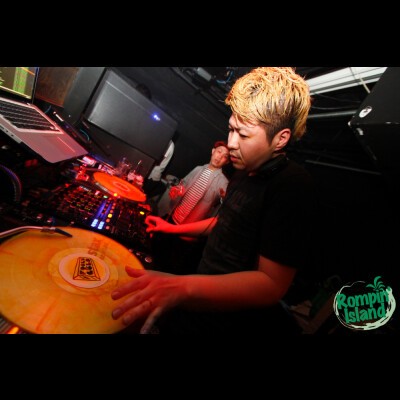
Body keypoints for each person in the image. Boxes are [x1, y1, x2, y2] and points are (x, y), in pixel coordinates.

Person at [111, 67, 317, 334]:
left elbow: (272, 285)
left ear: (281, 139)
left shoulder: (293, 186)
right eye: (231, 129)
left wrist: (182, 286)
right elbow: (223, 223)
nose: (231, 143)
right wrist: (170, 228)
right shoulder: (243, 172)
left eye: (243, 135)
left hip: (225, 322)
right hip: (199, 298)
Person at [151, 140, 230, 274]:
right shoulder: (198, 169)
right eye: (219, 152)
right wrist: (177, 190)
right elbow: (183, 185)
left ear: (226, 162)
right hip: (173, 219)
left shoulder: (223, 182)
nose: (219, 157)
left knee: (170, 268)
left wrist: (224, 198)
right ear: (213, 151)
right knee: (157, 255)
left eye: (224, 156)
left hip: (187, 231)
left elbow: (224, 206)